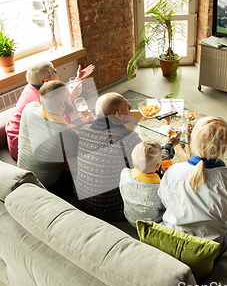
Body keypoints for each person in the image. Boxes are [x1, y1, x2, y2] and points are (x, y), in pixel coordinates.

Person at [74, 92, 180, 221]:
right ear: (118, 114)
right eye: (127, 105)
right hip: (110, 209)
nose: (130, 106)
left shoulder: (84, 131)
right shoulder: (127, 138)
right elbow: (150, 164)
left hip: (83, 201)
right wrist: (168, 146)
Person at [158, 116, 227, 251]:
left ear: (192, 141)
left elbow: (164, 199)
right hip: (209, 250)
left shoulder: (174, 170)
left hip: (171, 239)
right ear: (224, 148)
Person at [5, 61, 95, 160]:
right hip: (22, 147)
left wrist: (78, 79)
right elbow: (62, 124)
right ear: (46, 81)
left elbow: (58, 91)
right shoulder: (41, 101)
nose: (57, 73)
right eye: (54, 72)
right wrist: (71, 99)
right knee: (71, 132)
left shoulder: (32, 87)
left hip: (14, 137)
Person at [17, 80, 93, 195]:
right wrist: (89, 126)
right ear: (61, 106)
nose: (70, 99)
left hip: (22, 174)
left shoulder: (29, 107)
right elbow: (82, 162)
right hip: (47, 186)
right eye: (69, 97)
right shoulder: (68, 133)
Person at [119, 141, 165, 227]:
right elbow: (165, 206)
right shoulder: (160, 188)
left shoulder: (124, 173)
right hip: (150, 225)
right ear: (158, 166)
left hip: (130, 218)